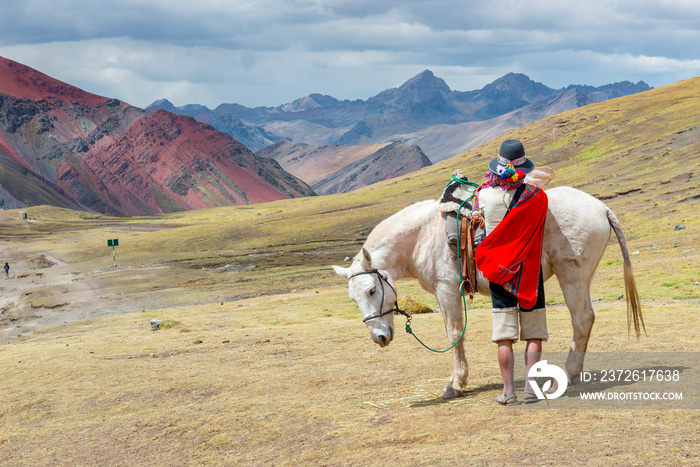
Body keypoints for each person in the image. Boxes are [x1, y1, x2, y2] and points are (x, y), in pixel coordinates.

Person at [474, 139, 549, 405]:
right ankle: (531, 390)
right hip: (529, 272)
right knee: (534, 332)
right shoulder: (538, 197)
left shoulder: (483, 196)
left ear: (497, 168)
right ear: (523, 168)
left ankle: (508, 392)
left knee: (504, 334)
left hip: (498, 272)